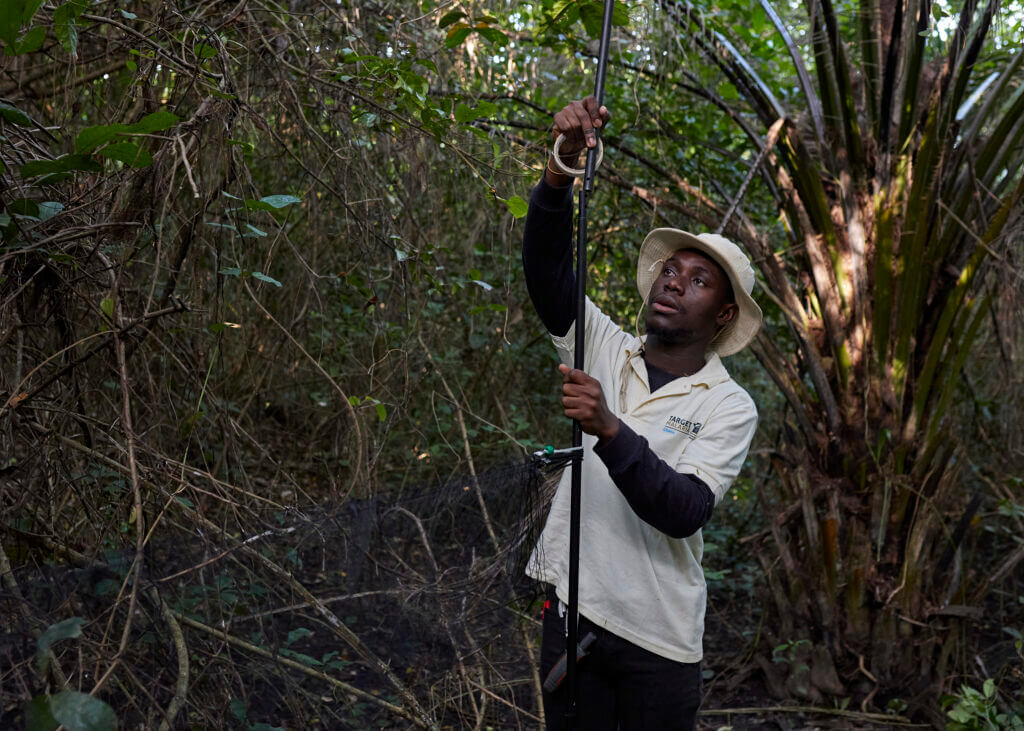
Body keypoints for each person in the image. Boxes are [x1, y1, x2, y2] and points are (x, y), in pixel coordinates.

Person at [523, 96, 763, 730]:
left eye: (699, 280)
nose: (674, 282)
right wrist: (560, 172)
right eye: (670, 269)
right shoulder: (604, 346)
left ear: (724, 316)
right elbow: (549, 272)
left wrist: (609, 428)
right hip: (572, 615)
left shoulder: (728, 405)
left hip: (659, 643)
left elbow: (683, 511)